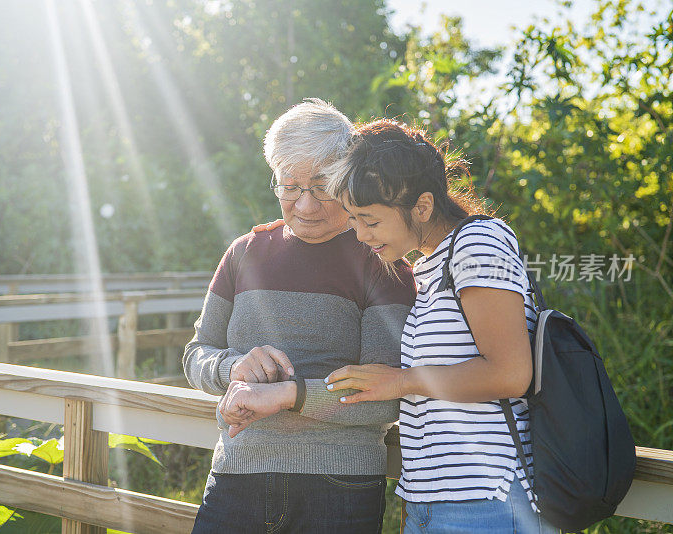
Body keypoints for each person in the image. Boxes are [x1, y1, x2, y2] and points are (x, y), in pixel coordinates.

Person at [183, 99, 416, 534]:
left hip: (339, 485)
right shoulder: (243, 253)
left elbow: (387, 394)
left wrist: (291, 394)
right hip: (237, 472)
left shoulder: (383, 261)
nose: (306, 206)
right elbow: (196, 355)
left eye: (322, 186)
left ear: (349, 178)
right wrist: (233, 366)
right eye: (290, 186)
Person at [322, 119, 558, 533]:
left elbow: (510, 374)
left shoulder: (477, 243)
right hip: (430, 501)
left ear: (424, 206)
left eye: (370, 221)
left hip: (487, 501)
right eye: (353, 219)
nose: (359, 234)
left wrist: (400, 381)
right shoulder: (430, 264)